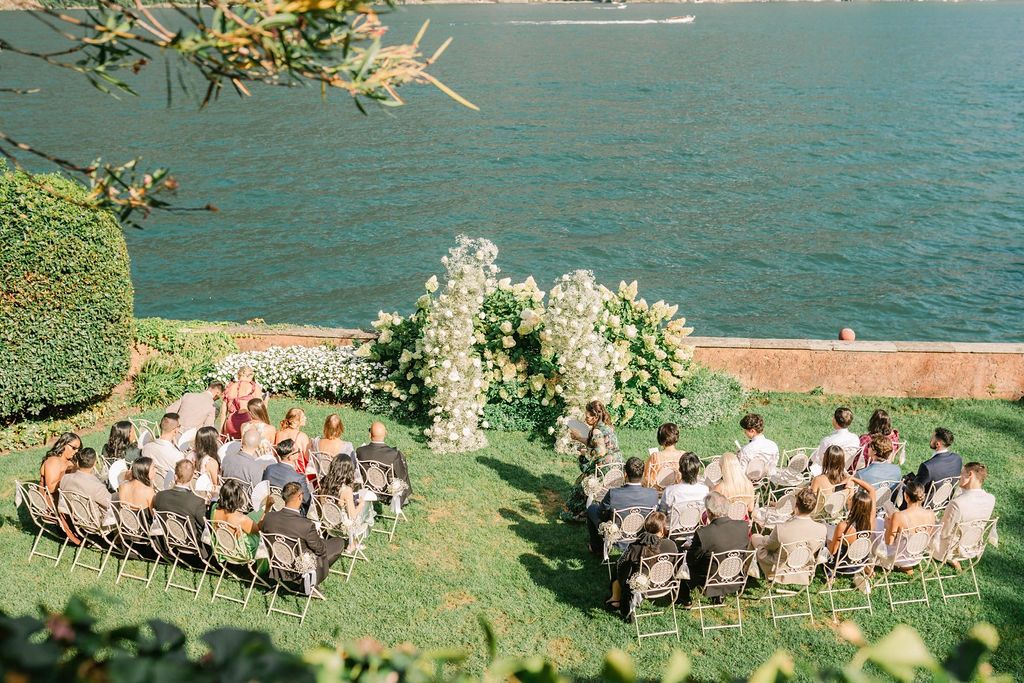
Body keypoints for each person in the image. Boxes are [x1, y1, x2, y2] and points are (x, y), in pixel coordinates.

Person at [261, 481, 345, 586]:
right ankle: (310, 582)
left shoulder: (268, 517)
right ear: (300, 497)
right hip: (298, 571)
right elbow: (320, 550)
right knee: (339, 543)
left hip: (277, 566)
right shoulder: (306, 525)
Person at [681, 492, 751, 606]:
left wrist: (690, 548)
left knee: (681, 558)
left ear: (708, 512)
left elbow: (691, 560)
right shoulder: (743, 526)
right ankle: (718, 595)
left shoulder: (704, 533)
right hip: (735, 577)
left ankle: (684, 598)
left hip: (709, 580)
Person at [562, 400, 623, 521]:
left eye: (588, 416)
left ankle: (581, 513)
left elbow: (600, 451)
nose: (586, 419)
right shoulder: (607, 425)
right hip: (618, 464)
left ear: (595, 417)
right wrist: (579, 438)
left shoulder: (596, 430)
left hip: (604, 467)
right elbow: (596, 442)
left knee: (581, 483)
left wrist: (586, 453)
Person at [609, 511, 677, 620]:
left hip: (642, 588)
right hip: (666, 585)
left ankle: (615, 599)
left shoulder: (636, 546)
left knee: (618, 566)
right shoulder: (671, 545)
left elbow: (621, 565)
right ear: (662, 529)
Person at [752, 487, 827, 584]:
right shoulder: (822, 529)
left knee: (755, 537)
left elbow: (768, 547)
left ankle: (747, 571)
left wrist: (765, 538)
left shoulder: (781, 528)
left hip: (779, 567)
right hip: (803, 565)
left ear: (795, 505)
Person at [586, 457, 658, 554]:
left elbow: (600, 512)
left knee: (592, 508)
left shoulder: (613, 493)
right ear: (643, 474)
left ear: (625, 474)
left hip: (618, 537)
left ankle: (597, 547)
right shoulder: (653, 493)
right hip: (642, 536)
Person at [933, 462, 996, 566]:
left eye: (961, 474)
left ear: (970, 474)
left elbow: (943, 533)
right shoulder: (991, 499)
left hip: (949, 550)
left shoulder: (957, 504)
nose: (959, 478)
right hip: (971, 547)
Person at [210, 477, 269, 569]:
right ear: (238, 498)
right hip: (237, 553)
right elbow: (259, 529)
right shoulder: (242, 519)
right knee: (262, 539)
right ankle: (262, 570)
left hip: (219, 547)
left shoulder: (214, 508)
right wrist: (267, 509)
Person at [826, 478, 877, 582]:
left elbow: (832, 551)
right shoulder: (871, 520)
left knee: (824, 536)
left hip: (842, 565)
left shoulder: (843, 526)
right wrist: (852, 478)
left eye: (851, 499)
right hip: (860, 561)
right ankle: (865, 569)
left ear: (853, 505)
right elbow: (871, 490)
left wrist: (827, 541)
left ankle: (831, 575)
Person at [318, 457, 374, 549]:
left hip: (327, 522)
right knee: (368, 506)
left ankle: (353, 542)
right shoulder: (346, 490)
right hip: (342, 527)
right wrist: (361, 504)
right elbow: (353, 516)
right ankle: (353, 543)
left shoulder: (323, 482)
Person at [153, 460, 209, 551]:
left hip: (168, 543)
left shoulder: (160, 496)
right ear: (192, 478)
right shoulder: (197, 502)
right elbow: (206, 526)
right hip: (192, 546)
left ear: (175, 477)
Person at [355, 422, 412, 506]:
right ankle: (402, 501)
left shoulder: (360, 451)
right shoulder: (394, 454)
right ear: (386, 433)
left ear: (369, 434)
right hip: (387, 491)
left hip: (366, 488)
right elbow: (402, 476)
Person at [884, 481, 936, 572]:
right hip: (918, 555)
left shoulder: (899, 516)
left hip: (900, 557)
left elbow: (889, 542)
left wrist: (888, 525)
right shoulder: (931, 514)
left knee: (878, 525)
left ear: (905, 496)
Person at [262, 439, 311, 515]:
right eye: (298, 451)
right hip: (290, 512)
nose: (299, 452)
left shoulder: (269, 468)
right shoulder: (298, 477)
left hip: (272, 509)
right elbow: (306, 500)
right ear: (290, 457)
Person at [58, 447, 112, 511]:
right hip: (95, 519)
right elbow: (110, 504)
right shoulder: (97, 487)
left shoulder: (65, 479)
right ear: (94, 463)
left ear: (77, 463)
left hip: (75, 515)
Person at [913, 427, 962, 494]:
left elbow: (914, 490)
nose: (930, 439)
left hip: (927, 502)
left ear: (937, 444)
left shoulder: (927, 467)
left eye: (932, 438)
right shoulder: (957, 459)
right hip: (946, 500)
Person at [220, 366, 263, 438]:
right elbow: (260, 409)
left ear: (238, 375)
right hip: (247, 423)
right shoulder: (255, 388)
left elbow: (223, 413)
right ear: (251, 375)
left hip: (231, 423)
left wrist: (221, 432)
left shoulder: (230, 387)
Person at [641, 423, 683, 490]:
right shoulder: (683, 455)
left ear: (660, 438)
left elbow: (647, 478)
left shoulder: (655, 456)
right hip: (678, 490)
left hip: (658, 492)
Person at [276, 407, 312, 474]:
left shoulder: (279, 433)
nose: (306, 418)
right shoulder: (302, 436)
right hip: (297, 471)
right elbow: (308, 459)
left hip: (279, 467)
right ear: (295, 421)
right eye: (303, 417)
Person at [193, 426, 221, 500]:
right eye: (217, 438)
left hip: (196, 492)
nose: (220, 440)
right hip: (208, 497)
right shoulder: (211, 462)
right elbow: (216, 485)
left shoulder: (193, 456)